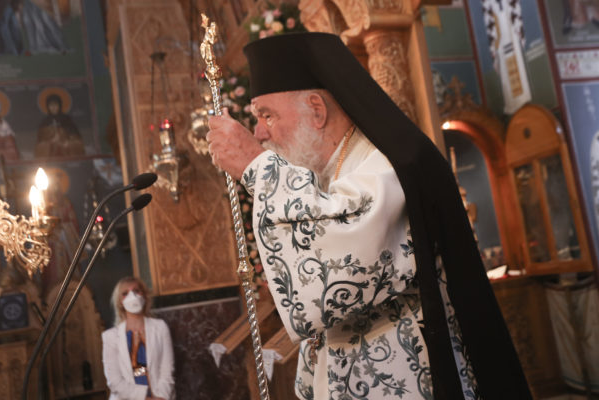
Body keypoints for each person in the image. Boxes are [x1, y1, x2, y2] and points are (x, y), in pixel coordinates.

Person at [207, 32, 531, 400]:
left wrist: (256, 165)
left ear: (317, 109)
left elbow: (345, 259)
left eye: (267, 115)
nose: (259, 132)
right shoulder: (329, 174)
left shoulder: (389, 166)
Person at [101, 276, 175, 400]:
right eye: (125, 293)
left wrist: (161, 397)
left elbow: (167, 371)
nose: (132, 296)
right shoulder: (110, 337)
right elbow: (114, 381)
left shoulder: (160, 327)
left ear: (144, 295)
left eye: (136, 291)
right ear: (120, 301)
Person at [35, 93, 85, 158]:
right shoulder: (45, 122)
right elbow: (40, 142)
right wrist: (51, 142)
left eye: (55, 104)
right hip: (50, 156)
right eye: (51, 105)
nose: (53, 107)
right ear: (48, 106)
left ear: (59, 105)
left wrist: (67, 143)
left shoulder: (67, 120)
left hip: (67, 153)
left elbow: (76, 138)